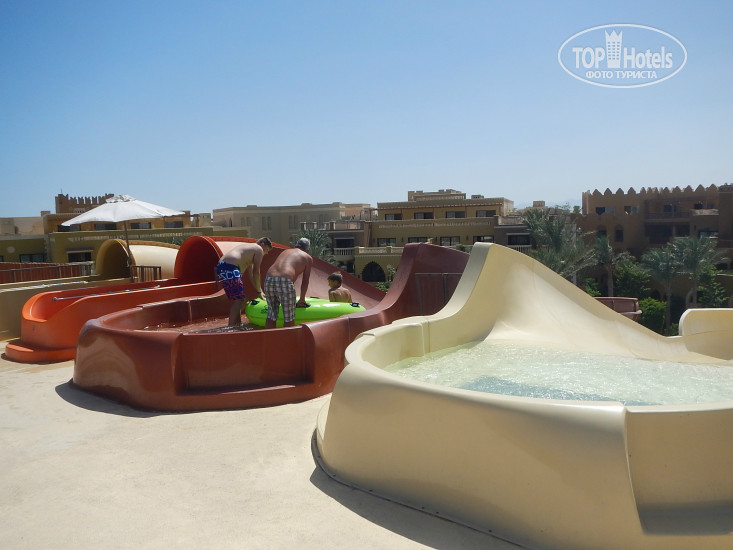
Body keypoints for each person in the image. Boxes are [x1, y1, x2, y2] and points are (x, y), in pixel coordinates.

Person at [215, 238, 273, 326]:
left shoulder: (249, 251)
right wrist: (259, 292)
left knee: (240, 299)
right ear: (262, 244)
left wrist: (260, 290)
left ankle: (238, 324)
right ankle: (231, 327)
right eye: (267, 249)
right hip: (230, 266)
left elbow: (251, 276)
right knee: (239, 299)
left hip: (222, 266)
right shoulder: (258, 249)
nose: (267, 253)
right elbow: (256, 272)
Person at [264, 237, 313, 328]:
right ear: (307, 250)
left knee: (271, 314)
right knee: (289, 318)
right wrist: (302, 299)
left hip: (269, 279)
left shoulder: (285, 251)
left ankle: (268, 336)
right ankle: (288, 337)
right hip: (285, 280)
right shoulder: (307, 257)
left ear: (295, 246)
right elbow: (305, 281)